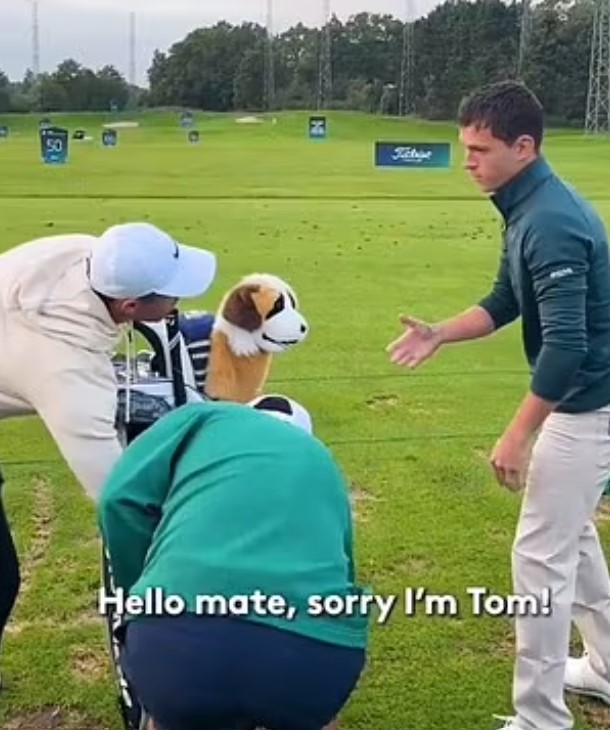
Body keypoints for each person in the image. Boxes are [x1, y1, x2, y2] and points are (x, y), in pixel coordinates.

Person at [387, 80, 610, 730]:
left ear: (524, 146)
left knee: (539, 559)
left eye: (481, 149)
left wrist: (517, 434)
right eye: (465, 148)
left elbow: (566, 345)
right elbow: (505, 299)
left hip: (589, 403)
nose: (468, 162)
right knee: (571, 538)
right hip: (585, 401)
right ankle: (604, 668)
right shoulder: (523, 206)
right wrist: (439, 333)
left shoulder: (550, 220)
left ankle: (539, 718)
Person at [0, 221, 217, 687]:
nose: (179, 302)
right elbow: (119, 497)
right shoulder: (68, 373)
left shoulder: (85, 252)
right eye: (172, 294)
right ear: (132, 306)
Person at [97, 394, 369, 730]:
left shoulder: (204, 418)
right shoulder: (322, 461)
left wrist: (138, 589)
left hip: (176, 646)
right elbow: (345, 573)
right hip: (312, 660)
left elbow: (117, 499)